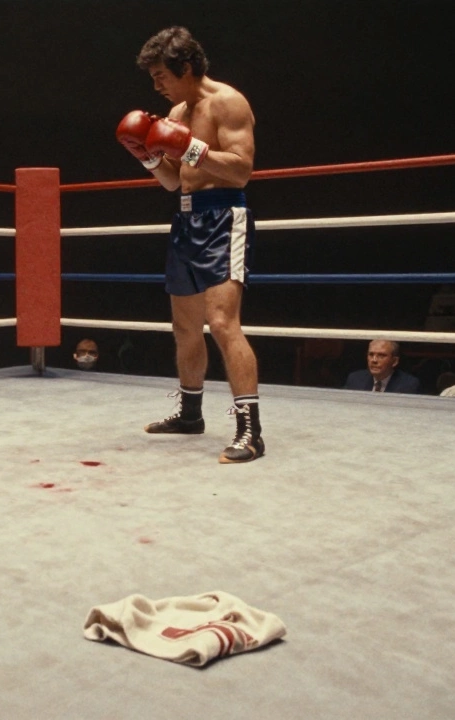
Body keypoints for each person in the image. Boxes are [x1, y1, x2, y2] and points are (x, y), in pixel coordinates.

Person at [117, 26, 263, 463]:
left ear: (185, 68)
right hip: (185, 217)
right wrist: (146, 156)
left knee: (222, 322)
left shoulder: (228, 102)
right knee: (184, 327)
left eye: (161, 75)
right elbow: (173, 180)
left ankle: (250, 432)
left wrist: (190, 148)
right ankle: (189, 415)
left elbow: (241, 171)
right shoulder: (177, 111)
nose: (156, 86)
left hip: (223, 217)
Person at [343, 339, 421, 394]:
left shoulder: (408, 384)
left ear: (394, 361)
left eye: (381, 355)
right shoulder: (355, 379)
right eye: (371, 354)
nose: (374, 360)